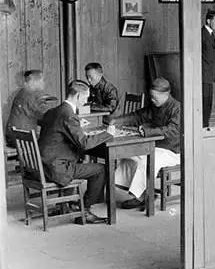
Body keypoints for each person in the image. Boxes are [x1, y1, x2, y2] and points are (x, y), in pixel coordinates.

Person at [38, 80, 115, 224]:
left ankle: (66, 205)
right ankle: (84, 211)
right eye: (85, 98)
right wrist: (108, 134)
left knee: (77, 158)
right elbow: (85, 144)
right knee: (101, 170)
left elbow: (57, 129)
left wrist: (77, 125)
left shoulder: (53, 111)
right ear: (78, 96)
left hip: (43, 165)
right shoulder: (69, 115)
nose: (86, 102)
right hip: (57, 168)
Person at [109, 77, 180, 209]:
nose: (152, 100)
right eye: (151, 97)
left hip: (172, 150)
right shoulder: (155, 106)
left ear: (165, 94)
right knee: (130, 156)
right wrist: (118, 121)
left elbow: (173, 130)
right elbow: (138, 116)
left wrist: (148, 132)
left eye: (154, 97)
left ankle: (142, 197)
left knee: (146, 161)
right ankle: (143, 195)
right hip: (155, 146)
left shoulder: (177, 108)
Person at [5, 70, 54, 147]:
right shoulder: (32, 94)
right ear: (35, 82)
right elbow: (44, 117)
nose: (44, 83)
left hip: (13, 136)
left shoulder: (22, 92)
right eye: (42, 80)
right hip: (22, 139)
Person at [202, 10, 215, 128]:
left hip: (209, 74)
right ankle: (203, 126)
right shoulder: (202, 34)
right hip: (203, 75)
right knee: (204, 102)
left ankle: (205, 125)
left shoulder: (210, 34)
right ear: (208, 21)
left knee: (208, 102)